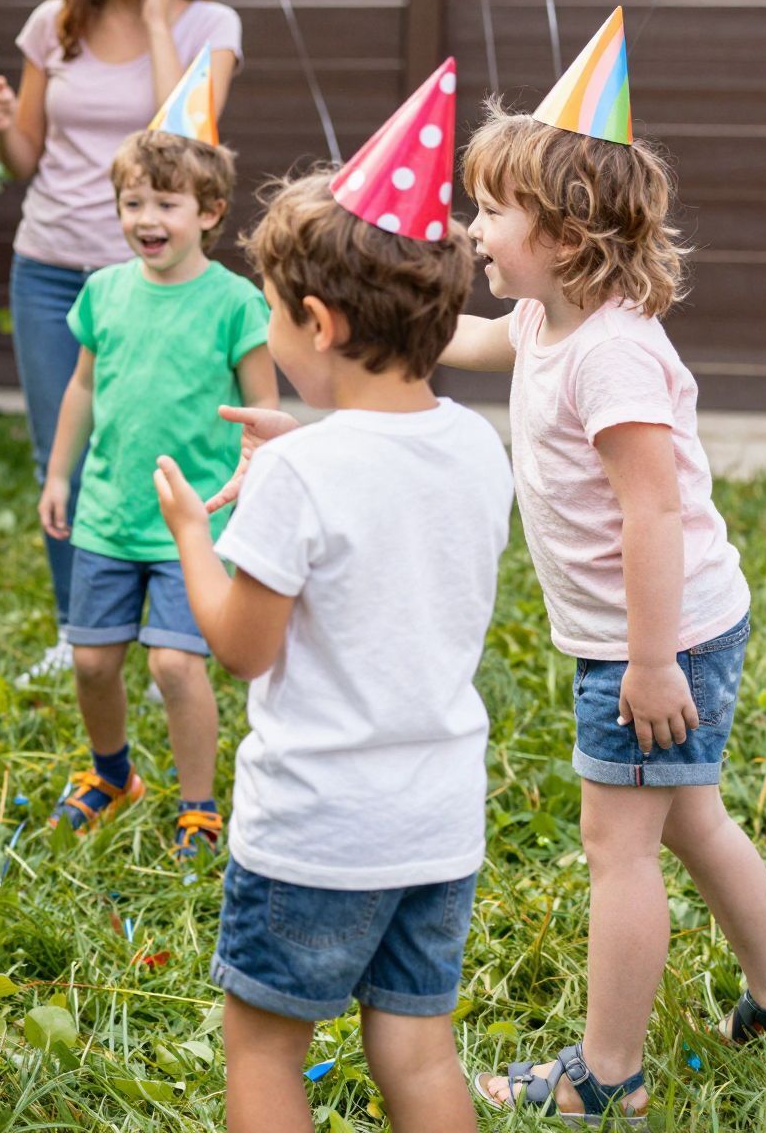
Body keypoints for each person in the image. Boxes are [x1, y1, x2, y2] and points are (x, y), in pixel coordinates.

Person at [449, 18, 766, 1119]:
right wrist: (391, 326)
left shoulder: (611, 353)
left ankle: (606, 1075)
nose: (471, 228)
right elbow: (471, 343)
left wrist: (648, 665)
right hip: (661, 630)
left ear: (561, 234)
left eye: (489, 211)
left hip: (656, 639)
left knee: (618, 848)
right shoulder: (543, 318)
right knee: (690, 822)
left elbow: (652, 513)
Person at [152, 131, 512, 1133]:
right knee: (417, 1052)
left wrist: (192, 538)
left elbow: (241, 648)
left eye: (270, 309)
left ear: (315, 321)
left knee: (264, 1051)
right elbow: (387, 484)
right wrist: (309, 447)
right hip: (437, 822)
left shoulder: (300, 474)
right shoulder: (478, 447)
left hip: (317, 831)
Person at [0, 0, 243, 688]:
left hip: (159, 280)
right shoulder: (52, 25)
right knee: (60, 449)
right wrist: (3, 124)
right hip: (51, 266)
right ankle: (79, 627)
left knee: (165, 453)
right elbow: (25, 159)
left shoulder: (210, 25)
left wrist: (159, 21)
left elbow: (184, 147)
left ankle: (181, 627)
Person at [39, 126, 274, 855]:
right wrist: (58, 473)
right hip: (110, 513)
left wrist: (257, 482)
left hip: (192, 522)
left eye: (166, 204)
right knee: (91, 661)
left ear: (210, 212)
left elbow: (262, 410)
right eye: (132, 202)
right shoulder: (103, 292)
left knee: (174, 664)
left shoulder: (234, 303)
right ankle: (113, 775)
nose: (146, 219)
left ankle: (198, 806)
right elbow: (82, 388)